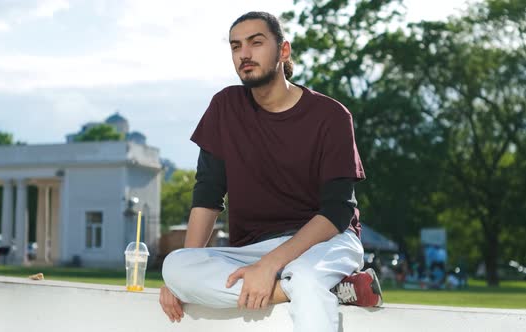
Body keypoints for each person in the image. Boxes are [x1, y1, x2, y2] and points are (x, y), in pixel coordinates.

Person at [159, 11, 382, 332]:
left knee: (305, 277)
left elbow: (337, 211)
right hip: (251, 250)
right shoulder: (225, 107)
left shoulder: (331, 116)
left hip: (326, 241)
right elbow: (207, 195)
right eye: (236, 46)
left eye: (256, 43)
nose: (244, 54)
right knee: (175, 265)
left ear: (283, 50)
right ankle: (331, 290)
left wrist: (271, 264)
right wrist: (181, 282)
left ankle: (302, 282)